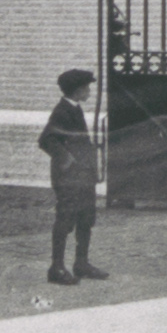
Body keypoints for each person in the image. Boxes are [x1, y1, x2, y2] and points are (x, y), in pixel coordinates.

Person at [39, 65, 106, 285]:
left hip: (82, 177)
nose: (89, 92)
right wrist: (67, 160)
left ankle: (81, 263)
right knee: (65, 219)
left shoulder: (74, 109)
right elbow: (46, 139)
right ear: (77, 90)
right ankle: (56, 267)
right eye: (87, 88)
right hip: (69, 178)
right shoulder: (62, 111)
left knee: (86, 218)